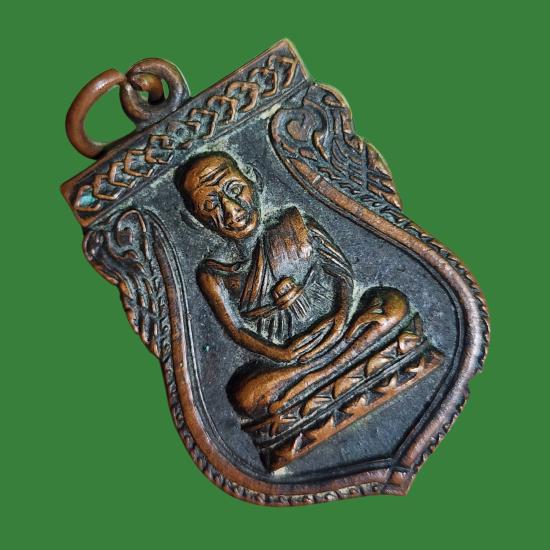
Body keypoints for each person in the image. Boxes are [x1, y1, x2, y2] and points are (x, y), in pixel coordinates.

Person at [177, 152, 420, 420]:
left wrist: (340, 315)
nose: (232, 210)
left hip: (343, 329)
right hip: (293, 358)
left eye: (235, 190)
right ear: (196, 218)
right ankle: (338, 371)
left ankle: (313, 384)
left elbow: (340, 273)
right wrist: (281, 354)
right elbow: (236, 329)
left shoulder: (294, 221)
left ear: (253, 180)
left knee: (393, 305)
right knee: (246, 397)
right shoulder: (214, 274)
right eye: (211, 205)